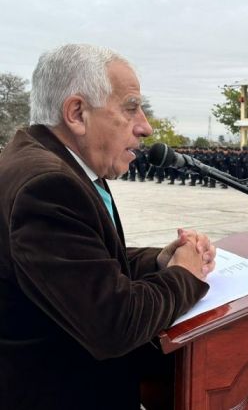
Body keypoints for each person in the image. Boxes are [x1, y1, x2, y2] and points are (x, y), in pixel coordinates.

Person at [0, 44, 217, 410]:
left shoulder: (60, 165)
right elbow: (115, 324)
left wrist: (158, 262)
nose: (145, 126)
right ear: (77, 113)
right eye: (131, 107)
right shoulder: (49, 186)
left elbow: (82, 265)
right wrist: (185, 275)